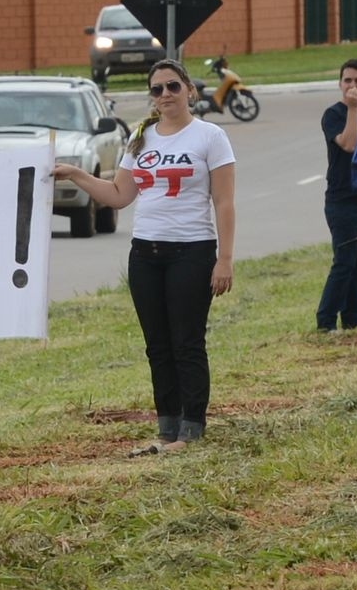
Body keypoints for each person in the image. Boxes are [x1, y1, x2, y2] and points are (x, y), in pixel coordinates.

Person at [54, 60, 235, 454]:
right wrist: (76, 175)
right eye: (157, 89)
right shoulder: (140, 137)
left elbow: (223, 202)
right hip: (146, 254)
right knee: (157, 345)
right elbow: (120, 195)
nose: (165, 95)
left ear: (189, 89)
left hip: (192, 251)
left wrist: (225, 259)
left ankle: (192, 429)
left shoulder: (210, 136)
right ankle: (167, 427)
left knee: (186, 342)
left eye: (173, 86)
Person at [316, 59, 357, 332]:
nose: (353, 86)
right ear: (340, 84)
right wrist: (352, 109)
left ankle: (352, 318)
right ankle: (326, 321)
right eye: (348, 80)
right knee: (344, 261)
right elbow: (349, 144)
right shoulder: (334, 114)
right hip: (341, 201)